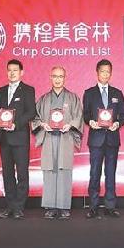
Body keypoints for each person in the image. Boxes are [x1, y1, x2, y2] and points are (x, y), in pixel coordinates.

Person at [32, 66, 83, 220]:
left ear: (65, 78)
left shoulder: (73, 98)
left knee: (64, 170)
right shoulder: (44, 99)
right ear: (50, 77)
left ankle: (64, 206)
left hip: (65, 138)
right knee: (49, 170)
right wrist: (42, 124)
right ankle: (50, 207)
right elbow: (35, 118)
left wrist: (70, 125)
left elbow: (78, 116)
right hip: (48, 138)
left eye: (60, 76)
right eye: (55, 76)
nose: (57, 79)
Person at [82, 59, 124, 219]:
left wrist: (117, 123)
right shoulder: (89, 93)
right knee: (94, 173)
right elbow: (85, 114)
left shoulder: (117, 93)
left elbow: (123, 115)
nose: (105, 74)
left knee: (110, 173)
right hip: (96, 139)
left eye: (108, 72)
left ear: (111, 73)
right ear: (97, 72)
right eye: (103, 71)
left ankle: (110, 206)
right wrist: (90, 122)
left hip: (112, 139)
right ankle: (93, 207)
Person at [0, 59, 36, 219]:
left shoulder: (28, 90)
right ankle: (10, 206)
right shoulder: (2, 90)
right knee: (7, 173)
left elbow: (31, 112)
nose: (12, 73)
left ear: (21, 72)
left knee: (22, 174)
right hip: (4, 138)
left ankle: (19, 207)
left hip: (20, 138)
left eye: (15, 70)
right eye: (9, 70)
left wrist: (15, 124)